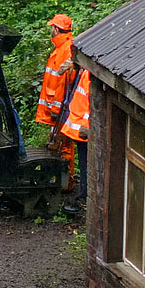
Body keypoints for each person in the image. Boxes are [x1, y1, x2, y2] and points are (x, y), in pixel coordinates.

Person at [36, 13, 77, 179]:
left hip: (60, 110)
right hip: (56, 109)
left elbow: (63, 84)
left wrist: (56, 108)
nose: (50, 29)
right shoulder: (60, 48)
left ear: (56, 29)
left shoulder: (66, 50)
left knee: (64, 144)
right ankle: (59, 180)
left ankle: (65, 183)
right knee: (56, 143)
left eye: (52, 27)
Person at [58, 67, 91, 216]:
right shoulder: (86, 72)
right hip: (82, 128)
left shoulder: (88, 74)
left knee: (86, 163)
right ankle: (85, 190)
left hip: (84, 129)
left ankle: (85, 192)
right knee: (84, 163)